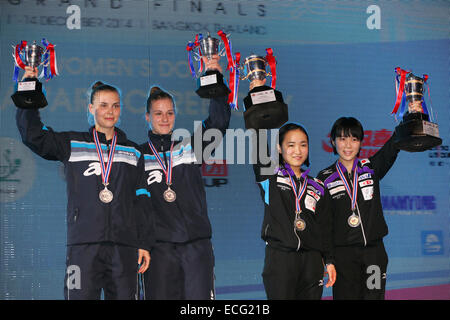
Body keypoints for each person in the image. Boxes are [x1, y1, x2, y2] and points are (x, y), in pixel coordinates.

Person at [15, 66, 154, 300]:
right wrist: (29, 88)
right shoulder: (72, 144)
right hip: (83, 247)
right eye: (103, 105)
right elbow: (33, 135)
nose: (110, 111)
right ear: (91, 108)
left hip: (124, 248)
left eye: (115, 105)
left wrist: (144, 243)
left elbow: (141, 203)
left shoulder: (133, 153)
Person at [139, 55, 230, 299]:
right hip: (158, 250)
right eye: (158, 113)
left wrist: (214, 79)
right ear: (147, 117)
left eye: (169, 112)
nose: (165, 118)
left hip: (195, 246)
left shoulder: (189, 148)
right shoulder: (137, 156)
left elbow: (219, 122)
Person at [316, 117, 400, 300]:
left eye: (354, 139)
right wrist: (328, 259)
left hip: (374, 255)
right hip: (343, 257)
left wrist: (411, 115)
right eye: (342, 139)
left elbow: (393, 146)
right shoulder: (324, 178)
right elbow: (325, 223)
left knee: (374, 297)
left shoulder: (370, 168)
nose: (348, 145)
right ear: (333, 141)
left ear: (361, 142)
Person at [252, 122, 336, 300]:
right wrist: (256, 109)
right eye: (291, 145)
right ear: (279, 148)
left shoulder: (318, 186)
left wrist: (329, 260)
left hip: (312, 261)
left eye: (303, 145)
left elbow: (325, 227)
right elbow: (258, 145)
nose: (298, 151)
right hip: (281, 259)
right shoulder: (270, 177)